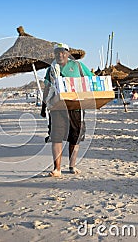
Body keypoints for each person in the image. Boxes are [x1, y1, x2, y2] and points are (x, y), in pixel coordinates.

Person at [41, 43, 94, 177]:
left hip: (75, 107)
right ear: (54, 54)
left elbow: (91, 79)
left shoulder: (78, 66)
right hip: (57, 107)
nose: (60, 55)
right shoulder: (52, 68)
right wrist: (43, 106)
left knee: (74, 137)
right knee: (56, 137)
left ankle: (72, 165)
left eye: (63, 52)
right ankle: (57, 169)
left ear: (68, 53)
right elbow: (47, 88)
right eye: (57, 52)